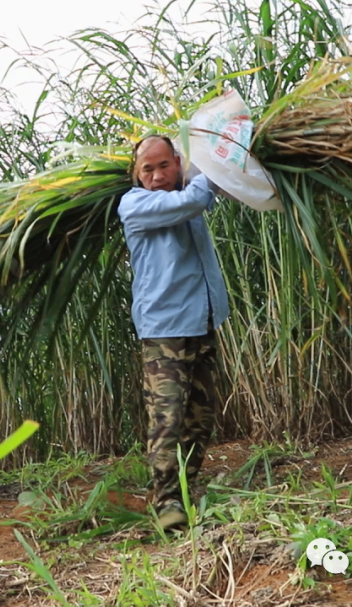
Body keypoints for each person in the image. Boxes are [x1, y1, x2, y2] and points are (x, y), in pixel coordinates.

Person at [117, 135, 229, 531]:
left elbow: (209, 193)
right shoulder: (136, 204)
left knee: (201, 416)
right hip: (165, 330)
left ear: (178, 163)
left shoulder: (186, 191)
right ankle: (166, 503)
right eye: (147, 169)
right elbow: (191, 201)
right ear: (137, 175)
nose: (157, 175)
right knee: (168, 417)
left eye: (164, 165)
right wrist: (216, 165)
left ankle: (185, 488)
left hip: (202, 321)